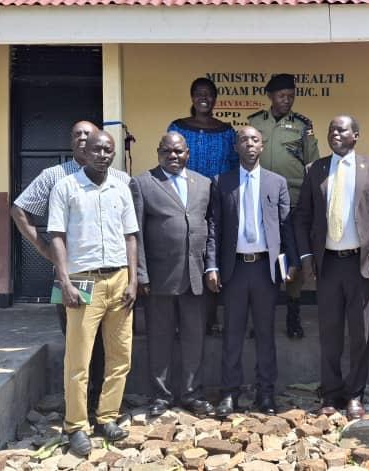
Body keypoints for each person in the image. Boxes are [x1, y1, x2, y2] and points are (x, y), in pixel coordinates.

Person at [11, 121, 129, 414]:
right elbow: (19, 210)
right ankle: (78, 407)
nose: (83, 139)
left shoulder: (118, 179)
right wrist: (47, 251)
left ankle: (103, 403)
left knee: (109, 342)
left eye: (88, 135)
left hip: (112, 273)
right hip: (70, 275)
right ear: (73, 143)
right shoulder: (54, 177)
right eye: (77, 135)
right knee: (76, 339)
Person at [294, 115, 369, 420]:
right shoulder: (315, 169)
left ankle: (355, 393)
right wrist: (305, 257)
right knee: (330, 333)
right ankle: (330, 393)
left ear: (356, 135)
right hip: (328, 265)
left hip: (362, 265)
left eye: (341, 130)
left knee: (360, 333)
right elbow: (302, 217)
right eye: (331, 130)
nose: (334, 134)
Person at [47, 130, 137, 456]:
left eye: (108, 150)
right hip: (82, 280)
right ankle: (76, 426)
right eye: (97, 149)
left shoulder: (121, 186)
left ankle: (107, 417)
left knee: (120, 355)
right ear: (85, 150)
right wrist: (65, 282)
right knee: (79, 359)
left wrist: (133, 280)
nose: (102, 154)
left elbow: (130, 236)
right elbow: (56, 236)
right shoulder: (65, 187)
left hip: (119, 280)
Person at [205, 126, 299, 417]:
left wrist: (292, 263)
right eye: (243, 140)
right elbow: (213, 227)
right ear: (235, 147)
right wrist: (212, 265)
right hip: (233, 270)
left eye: (255, 140)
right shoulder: (221, 182)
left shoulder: (276, 182)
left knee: (265, 333)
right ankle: (230, 393)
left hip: (264, 269)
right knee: (232, 333)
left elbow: (286, 227)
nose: (249, 144)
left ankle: (265, 393)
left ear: (262, 146)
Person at [130, 132, 215, 417]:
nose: (173, 156)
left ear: (187, 153)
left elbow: (210, 227)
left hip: (195, 275)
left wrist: (211, 265)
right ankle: (161, 396)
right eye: (167, 151)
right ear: (158, 152)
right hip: (159, 277)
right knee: (160, 338)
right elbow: (137, 233)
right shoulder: (143, 183)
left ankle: (192, 393)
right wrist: (141, 274)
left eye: (178, 151)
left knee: (194, 338)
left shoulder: (204, 184)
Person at [249, 73, 320, 339]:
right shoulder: (255, 123)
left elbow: (312, 164)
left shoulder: (303, 126)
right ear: (270, 96)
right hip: (259, 200)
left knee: (294, 257)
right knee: (262, 256)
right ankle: (260, 318)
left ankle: (293, 312)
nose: (287, 100)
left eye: (291, 96)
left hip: (293, 199)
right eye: (281, 96)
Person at [168, 76, 238, 337]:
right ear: (192, 97)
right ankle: (183, 319)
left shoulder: (227, 130)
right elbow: (169, 158)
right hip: (185, 202)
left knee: (214, 257)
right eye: (199, 93)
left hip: (217, 201)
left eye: (209, 93)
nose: (204, 98)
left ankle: (212, 316)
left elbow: (233, 166)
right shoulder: (178, 127)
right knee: (187, 257)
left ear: (216, 98)